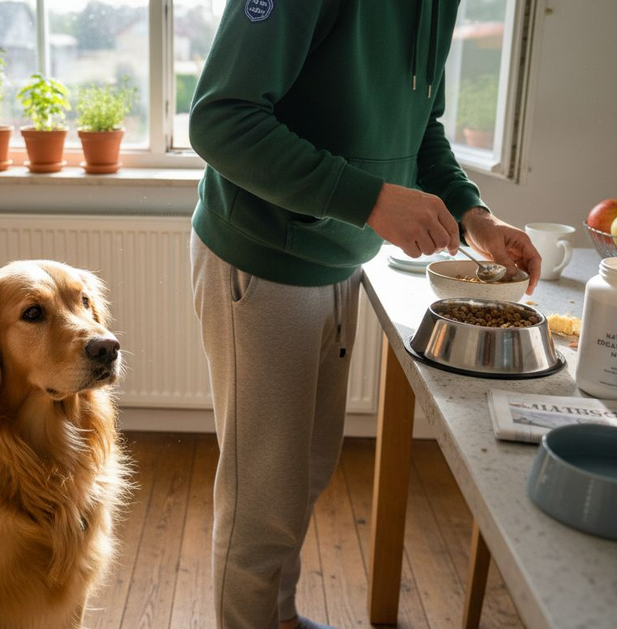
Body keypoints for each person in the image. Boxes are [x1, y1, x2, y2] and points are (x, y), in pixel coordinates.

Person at [187, 2, 541, 628]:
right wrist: (371, 199)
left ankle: (280, 618)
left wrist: (473, 215)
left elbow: (419, 128)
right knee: (262, 502)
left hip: (342, 256)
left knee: (306, 472)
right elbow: (220, 120)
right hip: (263, 258)